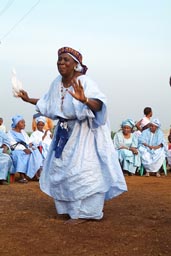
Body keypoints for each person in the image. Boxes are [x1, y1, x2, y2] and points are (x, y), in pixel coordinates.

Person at [18, 46, 127, 224]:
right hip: (64, 133)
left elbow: (99, 105)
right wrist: (28, 99)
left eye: (65, 60)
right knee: (63, 169)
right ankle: (70, 209)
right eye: (59, 60)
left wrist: (85, 100)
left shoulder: (86, 82)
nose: (61, 63)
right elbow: (48, 103)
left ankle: (87, 213)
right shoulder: (56, 83)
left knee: (84, 170)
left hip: (85, 133)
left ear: (76, 64)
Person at [7, 115, 43, 183]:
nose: (24, 124)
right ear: (17, 124)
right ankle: (22, 176)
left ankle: (36, 175)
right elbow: (12, 144)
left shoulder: (23, 132)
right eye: (22, 122)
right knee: (21, 155)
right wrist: (23, 149)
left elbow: (28, 141)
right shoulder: (10, 133)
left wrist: (30, 145)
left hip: (26, 149)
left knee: (35, 153)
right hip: (16, 151)